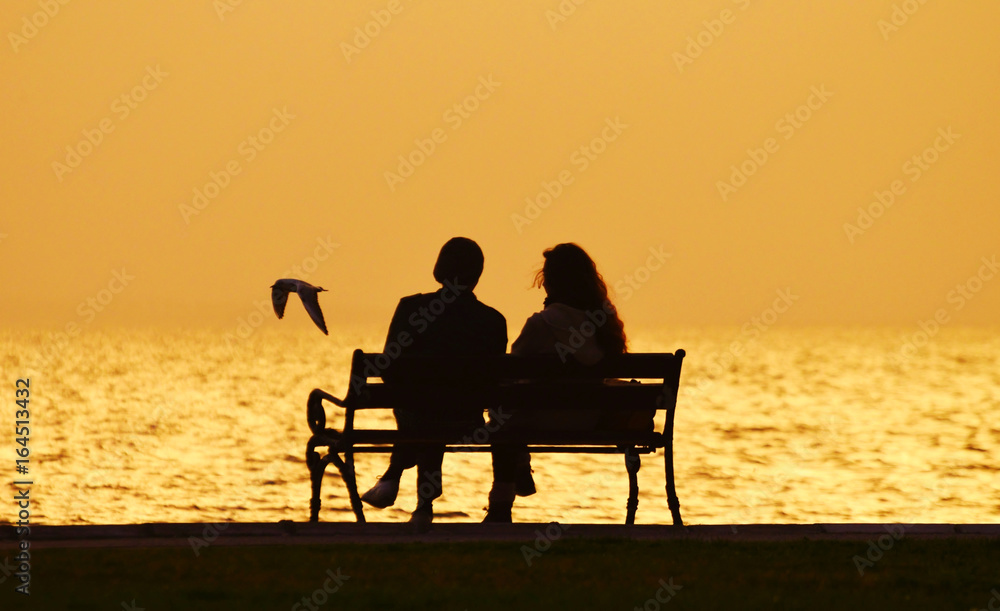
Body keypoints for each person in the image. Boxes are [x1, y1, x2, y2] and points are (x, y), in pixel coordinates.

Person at [360, 237, 507, 526]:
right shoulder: (493, 320)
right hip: (467, 420)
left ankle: (404, 487)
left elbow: (389, 369)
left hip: (417, 415)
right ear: (477, 275)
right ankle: (411, 495)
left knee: (422, 408)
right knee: (438, 404)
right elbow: (494, 380)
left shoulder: (411, 308)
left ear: (439, 268)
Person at [483, 243, 629, 523]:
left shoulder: (543, 323)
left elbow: (510, 368)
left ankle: (501, 506)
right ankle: (519, 466)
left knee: (502, 417)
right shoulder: (605, 324)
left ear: (551, 281)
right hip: (589, 419)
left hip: (540, 419)